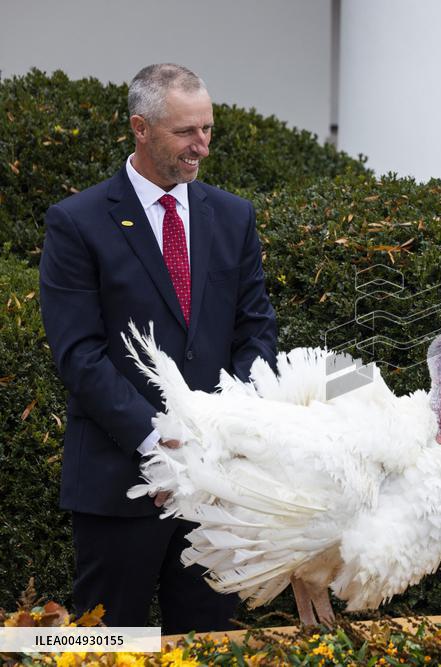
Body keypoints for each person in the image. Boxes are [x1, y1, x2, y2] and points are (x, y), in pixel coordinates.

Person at [39, 63, 278, 633]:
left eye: (208, 130)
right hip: (120, 482)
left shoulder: (233, 215)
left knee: (208, 643)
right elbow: (79, 353)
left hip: (217, 488)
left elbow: (257, 330)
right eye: (185, 133)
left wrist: (228, 420)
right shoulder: (76, 222)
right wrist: (157, 435)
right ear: (140, 128)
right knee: (109, 641)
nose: (201, 146)